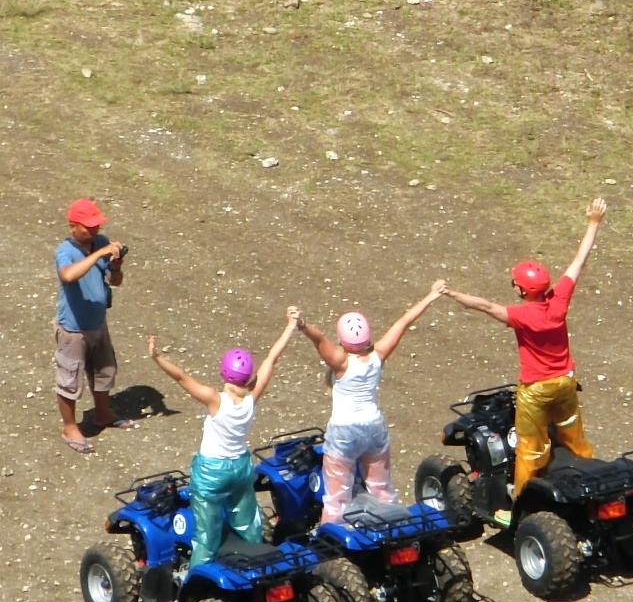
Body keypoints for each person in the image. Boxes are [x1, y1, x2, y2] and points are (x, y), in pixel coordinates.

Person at [442, 197, 608, 528]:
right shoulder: (559, 301)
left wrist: (453, 294)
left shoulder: (521, 315)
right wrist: (593, 222)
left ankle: (518, 505)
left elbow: (485, 306)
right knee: (574, 437)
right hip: (565, 382)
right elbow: (578, 261)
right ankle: (590, 487)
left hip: (536, 389)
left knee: (530, 447)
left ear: (522, 290)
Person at [147, 308, 299, 570]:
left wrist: (157, 356)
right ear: (248, 376)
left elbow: (181, 377)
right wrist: (290, 325)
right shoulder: (252, 397)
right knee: (249, 524)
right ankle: (256, 568)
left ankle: (196, 580)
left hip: (212, 471)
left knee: (206, 536)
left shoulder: (215, 399)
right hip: (240, 468)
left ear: (223, 374)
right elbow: (272, 358)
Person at [296, 281, 446, 524]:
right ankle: (392, 530)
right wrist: (430, 296)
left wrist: (302, 325)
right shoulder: (378, 355)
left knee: (336, 498)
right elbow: (403, 323)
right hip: (374, 428)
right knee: (382, 489)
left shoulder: (341, 363)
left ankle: (331, 541)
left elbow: (319, 339)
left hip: (344, 432)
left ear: (342, 340)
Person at [53, 198, 130, 453]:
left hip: (97, 321)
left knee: (104, 370)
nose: (94, 230)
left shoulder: (100, 242)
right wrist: (100, 253)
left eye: (97, 225)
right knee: (70, 379)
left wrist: (116, 265)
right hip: (73, 328)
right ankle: (70, 428)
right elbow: (68, 275)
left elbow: (116, 281)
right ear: (73, 226)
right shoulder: (65, 251)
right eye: (89, 227)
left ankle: (103, 413)